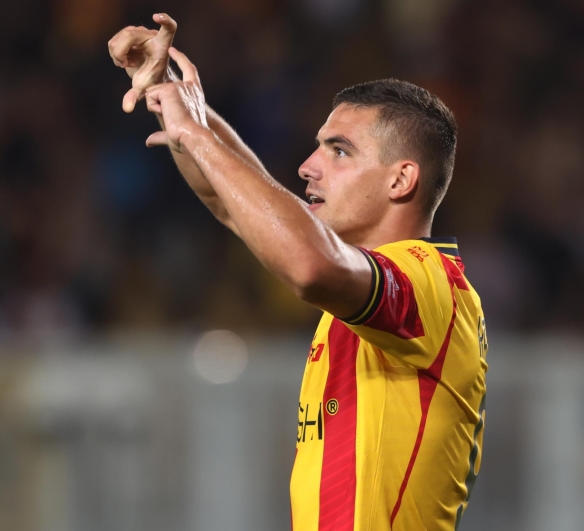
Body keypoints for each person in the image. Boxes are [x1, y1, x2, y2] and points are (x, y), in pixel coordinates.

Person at [108, 14, 488, 530]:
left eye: (339, 151)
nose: (308, 166)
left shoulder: (431, 282)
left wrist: (198, 136)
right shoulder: (361, 295)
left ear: (401, 179)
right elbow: (233, 203)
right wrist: (170, 96)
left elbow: (308, 264)